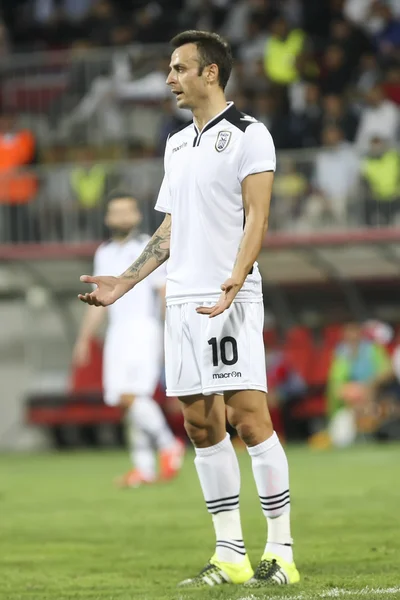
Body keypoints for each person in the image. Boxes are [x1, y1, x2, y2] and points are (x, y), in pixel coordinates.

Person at [78, 31, 300, 588]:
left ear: (211, 73)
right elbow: (171, 227)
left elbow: (258, 216)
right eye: (169, 68)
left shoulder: (252, 135)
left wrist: (237, 276)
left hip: (229, 297)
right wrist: (124, 285)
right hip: (181, 300)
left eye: (179, 68)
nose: (170, 78)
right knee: (201, 426)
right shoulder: (177, 145)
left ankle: (282, 550)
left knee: (248, 418)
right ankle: (230, 553)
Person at [73, 190, 184, 487]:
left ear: (137, 215)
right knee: (125, 402)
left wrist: (168, 331)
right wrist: (84, 338)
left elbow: (162, 292)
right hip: (118, 331)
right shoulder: (104, 252)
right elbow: (99, 300)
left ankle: (169, 446)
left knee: (131, 396)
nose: (123, 217)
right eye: (116, 212)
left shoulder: (151, 247)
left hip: (143, 328)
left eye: (128, 211)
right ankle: (144, 468)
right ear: (108, 218)